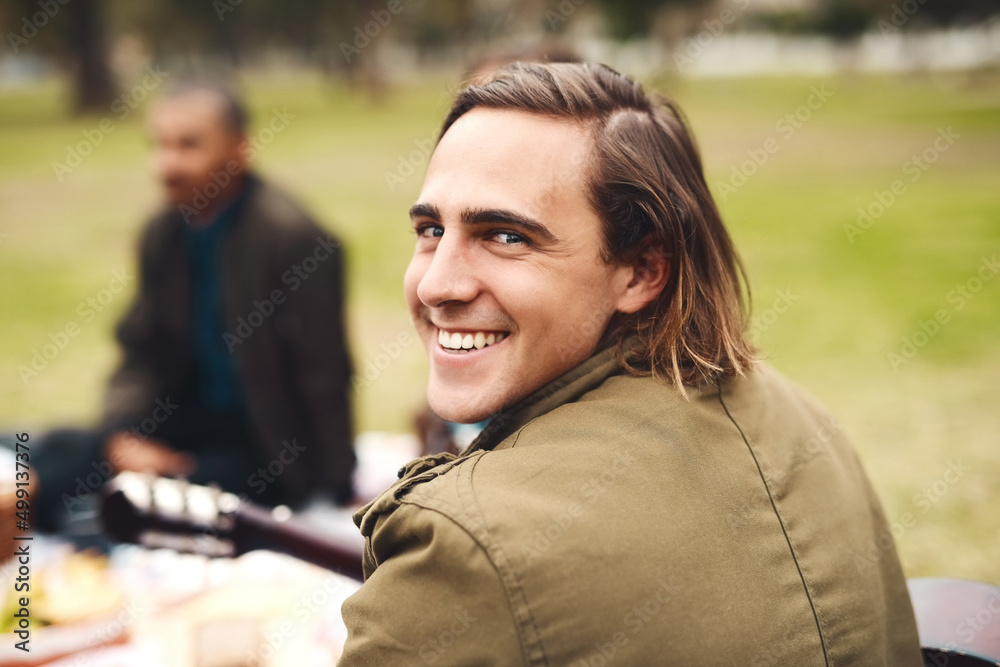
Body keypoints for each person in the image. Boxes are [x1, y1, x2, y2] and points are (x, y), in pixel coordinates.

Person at [337, 62, 922, 665]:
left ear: (642, 272)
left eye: (506, 236)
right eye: (431, 228)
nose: (437, 284)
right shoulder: (802, 417)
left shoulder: (464, 545)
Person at [33, 78, 355, 532]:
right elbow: (142, 349)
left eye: (189, 145)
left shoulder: (294, 240)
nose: (167, 164)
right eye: (160, 145)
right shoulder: (163, 233)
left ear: (240, 150)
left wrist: (337, 486)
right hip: (183, 414)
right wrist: (120, 437)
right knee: (62, 453)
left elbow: (324, 372)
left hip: (261, 438)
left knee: (174, 500)